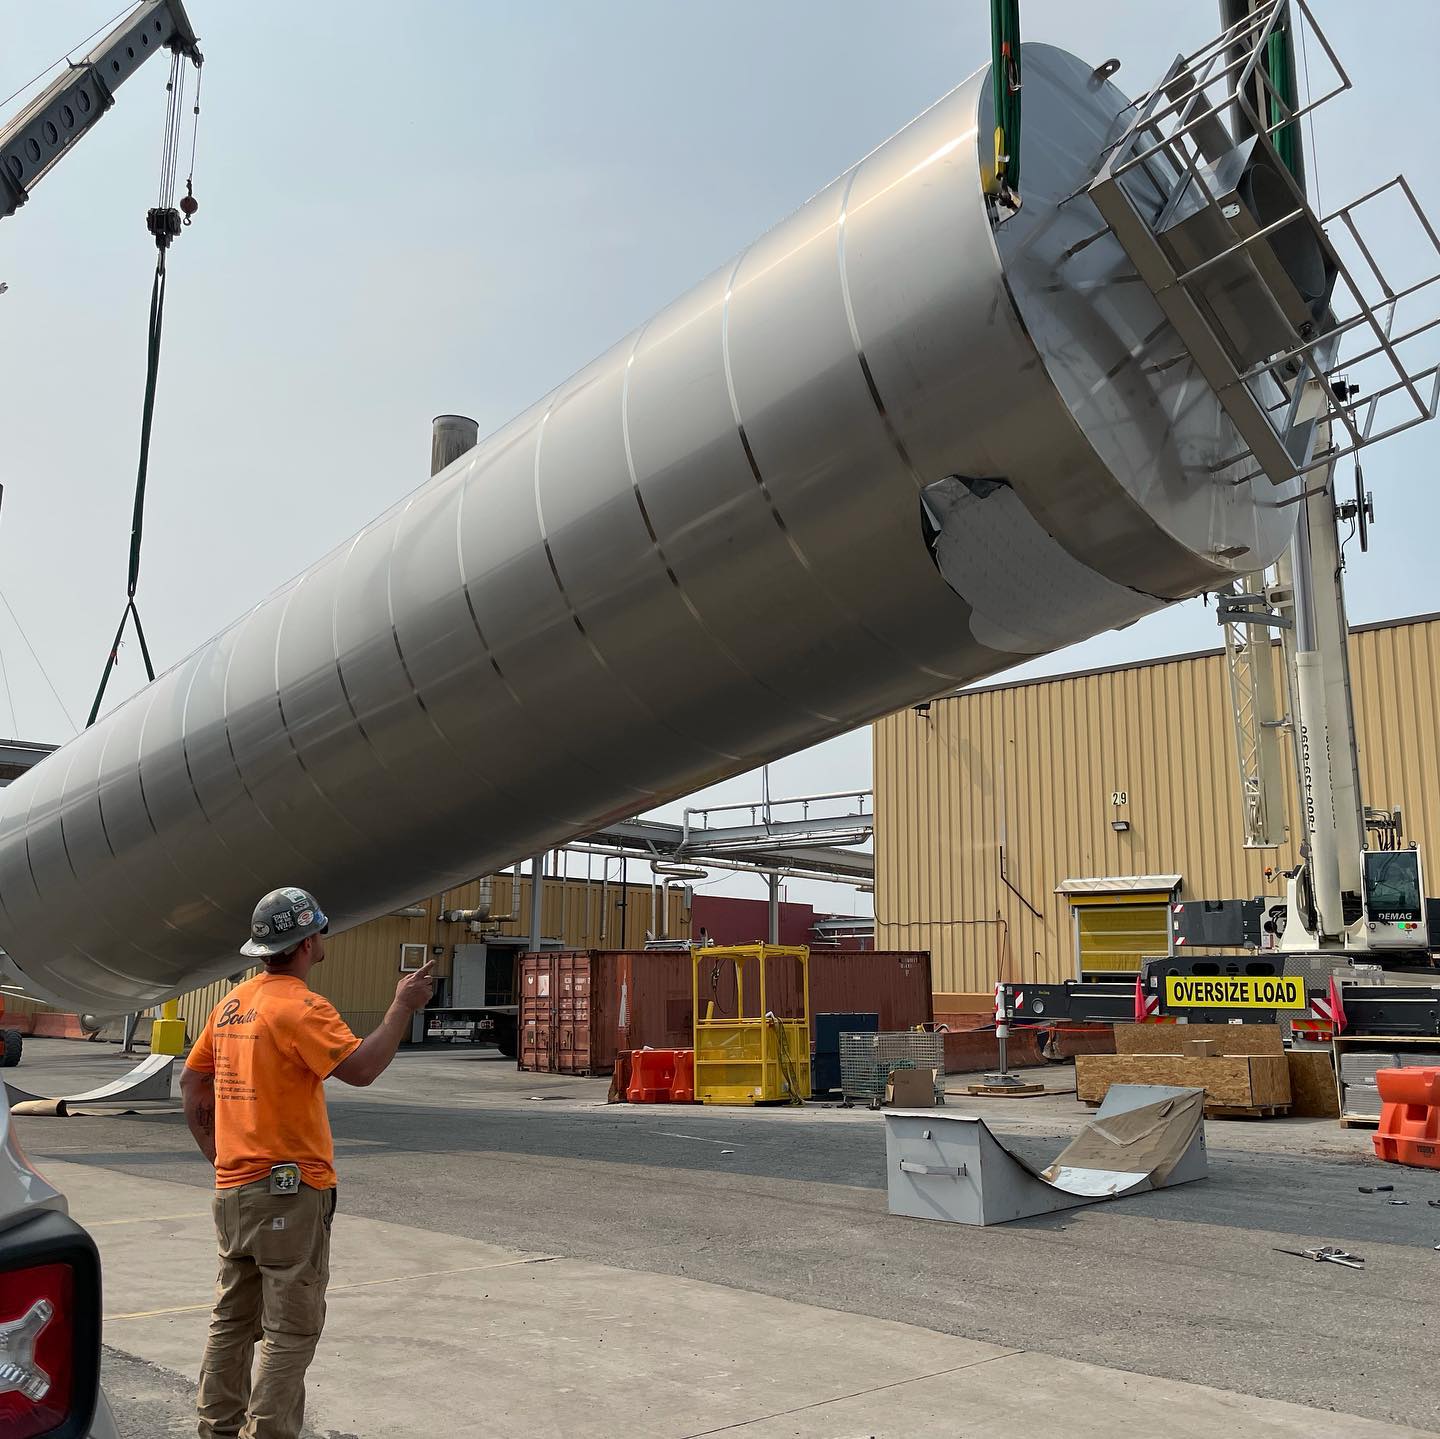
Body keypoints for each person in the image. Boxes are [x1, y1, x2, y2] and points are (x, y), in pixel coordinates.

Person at [181, 886, 434, 1439]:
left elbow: (193, 1079)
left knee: (232, 1319)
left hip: (234, 1188)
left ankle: (216, 1428)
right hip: (288, 1191)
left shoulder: (233, 1003)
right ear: (307, 941)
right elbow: (362, 1068)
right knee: (290, 1330)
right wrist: (401, 1007)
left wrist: (219, 1154)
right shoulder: (299, 1006)